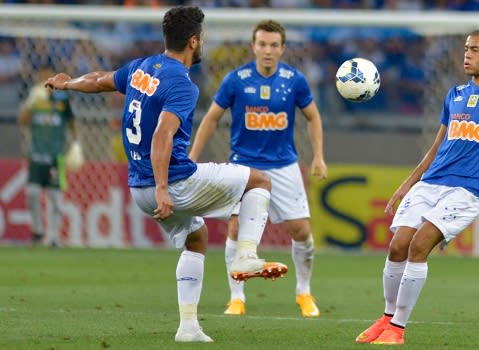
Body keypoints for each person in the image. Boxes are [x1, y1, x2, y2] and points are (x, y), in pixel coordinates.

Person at [44, 6, 287, 343]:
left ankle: (188, 327)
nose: (202, 43)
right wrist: (163, 188)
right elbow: (162, 135)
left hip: (137, 187)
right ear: (192, 41)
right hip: (172, 182)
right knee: (260, 181)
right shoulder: (182, 84)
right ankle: (245, 255)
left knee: (196, 237)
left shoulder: (143, 67)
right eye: (201, 38)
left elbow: (99, 80)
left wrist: (68, 83)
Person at [355, 28, 479, 345]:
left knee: (419, 245)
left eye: (476, 49)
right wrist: (406, 185)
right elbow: (436, 147)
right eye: (466, 48)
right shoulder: (454, 95)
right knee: (398, 245)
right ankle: (384, 319)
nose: (467, 54)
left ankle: (397, 329)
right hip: (432, 182)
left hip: (470, 190)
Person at [189, 19, 327, 317]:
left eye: (273, 45)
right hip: (245, 165)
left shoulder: (295, 80)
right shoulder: (236, 80)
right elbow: (211, 117)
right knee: (236, 228)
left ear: (282, 49)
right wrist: (193, 156)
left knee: (301, 230)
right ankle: (236, 298)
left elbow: (313, 117)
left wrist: (318, 156)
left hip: (283, 165)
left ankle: (304, 292)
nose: (267, 50)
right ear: (253, 46)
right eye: (262, 44)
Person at [18, 66, 80, 247]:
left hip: (56, 155)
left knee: (55, 197)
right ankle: (37, 231)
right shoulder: (35, 96)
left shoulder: (63, 98)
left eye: (47, 75)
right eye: (41, 75)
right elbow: (22, 122)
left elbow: (71, 121)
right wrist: (30, 103)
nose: (44, 78)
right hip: (36, 153)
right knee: (32, 193)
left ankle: (53, 237)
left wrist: (75, 144)